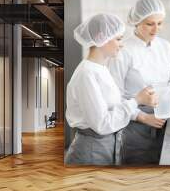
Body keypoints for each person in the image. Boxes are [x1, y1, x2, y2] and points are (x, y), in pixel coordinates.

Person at [109, 0, 170, 164]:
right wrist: (142, 117)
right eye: (150, 24)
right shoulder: (123, 51)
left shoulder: (164, 47)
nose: (156, 29)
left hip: (165, 122)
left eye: (160, 23)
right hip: (135, 127)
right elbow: (114, 97)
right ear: (137, 22)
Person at [65, 13, 158, 165]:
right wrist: (136, 100)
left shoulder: (101, 68)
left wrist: (141, 114)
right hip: (92, 151)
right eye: (118, 39)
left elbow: (114, 104)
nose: (122, 44)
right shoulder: (86, 74)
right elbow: (102, 124)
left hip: (105, 145)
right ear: (102, 37)